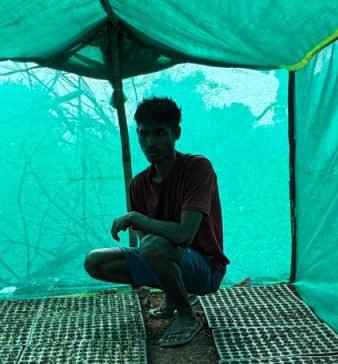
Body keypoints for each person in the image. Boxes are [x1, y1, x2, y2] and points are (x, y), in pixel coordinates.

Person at [84, 97, 229, 347]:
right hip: (167, 256)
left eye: (160, 133)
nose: (150, 142)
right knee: (95, 262)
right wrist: (143, 226)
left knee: (153, 246)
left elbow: (184, 235)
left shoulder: (197, 168)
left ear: (176, 133)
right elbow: (147, 247)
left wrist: (137, 218)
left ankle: (186, 315)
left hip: (205, 267)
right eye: (144, 134)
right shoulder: (139, 184)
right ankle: (175, 295)